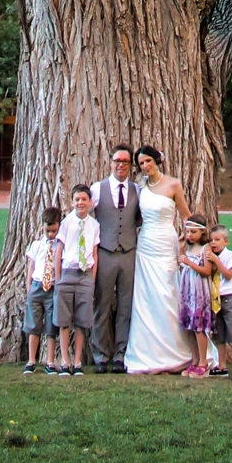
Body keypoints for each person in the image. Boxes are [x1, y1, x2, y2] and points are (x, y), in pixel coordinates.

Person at [123, 145, 193, 375]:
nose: (145, 166)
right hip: (146, 245)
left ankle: (177, 350)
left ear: (156, 160)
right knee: (146, 297)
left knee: (168, 294)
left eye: (148, 161)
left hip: (166, 242)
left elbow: (185, 216)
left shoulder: (173, 184)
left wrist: (188, 240)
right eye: (141, 163)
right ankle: (148, 352)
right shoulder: (141, 186)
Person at [90, 146, 143, 373]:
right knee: (101, 305)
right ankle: (100, 356)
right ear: (110, 162)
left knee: (125, 306)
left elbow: (140, 219)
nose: (121, 165)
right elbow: (84, 217)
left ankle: (120, 355)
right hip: (104, 252)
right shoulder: (97, 189)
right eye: (117, 161)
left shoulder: (137, 190)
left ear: (131, 166)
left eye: (125, 161)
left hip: (129, 254)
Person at [54, 186, 100, 375]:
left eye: (84, 199)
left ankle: (78, 361)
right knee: (64, 321)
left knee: (82, 321)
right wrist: (58, 279)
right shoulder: (66, 223)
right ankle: (65, 360)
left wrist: (92, 279)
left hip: (85, 275)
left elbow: (95, 254)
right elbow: (58, 251)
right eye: (77, 200)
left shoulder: (94, 225)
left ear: (90, 202)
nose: (80, 203)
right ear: (72, 202)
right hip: (67, 273)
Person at [22, 206, 62, 374]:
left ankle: (50, 361)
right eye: (47, 231)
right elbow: (31, 266)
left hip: (52, 288)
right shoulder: (37, 245)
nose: (50, 235)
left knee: (51, 327)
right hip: (37, 286)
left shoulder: (61, 246)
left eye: (53, 231)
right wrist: (29, 286)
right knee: (33, 325)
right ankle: (31, 360)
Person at [177, 218, 214, 376]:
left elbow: (206, 271)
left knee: (199, 327)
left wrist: (188, 262)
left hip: (199, 291)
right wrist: (180, 250)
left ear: (203, 232)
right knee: (189, 327)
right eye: (188, 232)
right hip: (188, 291)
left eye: (194, 232)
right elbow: (182, 262)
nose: (190, 235)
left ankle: (203, 362)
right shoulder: (189, 248)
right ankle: (195, 360)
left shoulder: (206, 249)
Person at [208, 225, 232, 381]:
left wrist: (217, 261)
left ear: (226, 241)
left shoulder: (230, 256)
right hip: (216, 299)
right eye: (211, 240)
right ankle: (222, 366)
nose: (214, 243)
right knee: (219, 334)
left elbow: (229, 275)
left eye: (217, 240)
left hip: (229, 297)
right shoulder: (210, 256)